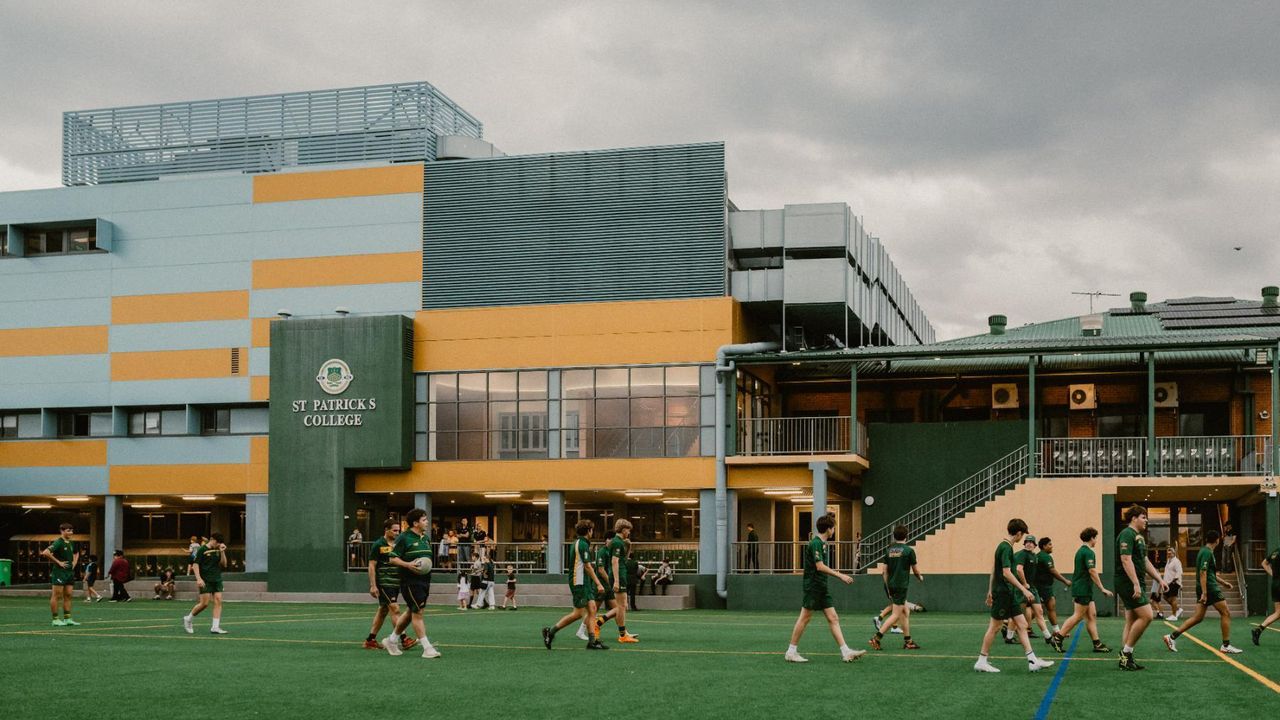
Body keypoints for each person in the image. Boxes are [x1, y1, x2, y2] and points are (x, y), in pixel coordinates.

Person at [973, 518, 1053, 673]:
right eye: (1022, 535)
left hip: (1008, 594)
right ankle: (981, 661)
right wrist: (1023, 589)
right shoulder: (1006, 548)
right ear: (1018, 533)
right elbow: (1005, 572)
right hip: (1003, 593)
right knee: (995, 627)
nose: (1022, 538)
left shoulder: (1004, 547)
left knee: (1022, 625)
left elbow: (994, 570)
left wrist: (989, 591)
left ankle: (1032, 661)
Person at [783, 513, 864, 663]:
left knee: (833, 618)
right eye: (833, 528)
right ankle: (791, 651)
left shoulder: (822, 544)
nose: (834, 530)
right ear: (828, 529)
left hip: (821, 587)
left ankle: (845, 651)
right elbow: (819, 566)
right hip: (813, 586)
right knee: (805, 617)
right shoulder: (815, 543)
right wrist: (841, 575)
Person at [1162, 530, 1241, 654]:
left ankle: (1171, 637)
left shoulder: (1205, 551)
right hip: (1209, 588)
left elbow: (1209, 573)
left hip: (1206, 587)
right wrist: (1205, 592)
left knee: (1197, 617)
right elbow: (1203, 573)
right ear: (1217, 540)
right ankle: (1226, 645)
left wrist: (1223, 583)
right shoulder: (1207, 553)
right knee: (1226, 613)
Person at [381, 509, 440, 658]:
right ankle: (427, 648)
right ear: (415, 523)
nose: (427, 522)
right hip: (410, 580)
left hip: (425, 579)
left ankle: (391, 640)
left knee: (411, 611)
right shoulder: (404, 538)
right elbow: (392, 558)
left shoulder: (425, 538)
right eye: (424, 520)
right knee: (418, 612)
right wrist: (407, 565)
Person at [1114, 505, 1167, 671]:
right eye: (1143, 517)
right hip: (1127, 582)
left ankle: (1125, 659)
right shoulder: (1127, 534)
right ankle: (1126, 652)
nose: (1146, 520)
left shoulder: (1139, 537)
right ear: (1133, 518)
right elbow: (1125, 559)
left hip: (1135, 581)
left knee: (1131, 619)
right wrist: (1136, 584)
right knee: (1147, 615)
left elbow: (1144, 561)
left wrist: (1159, 579)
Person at [542, 519, 608, 650]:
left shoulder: (581, 543)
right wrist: (599, 583)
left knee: (592, 608)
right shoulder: (581, 544)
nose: (592, 532)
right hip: (579, 582)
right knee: (578, 613)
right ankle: (551, 632)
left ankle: (592, 641)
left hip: (585, 582)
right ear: (589, 531)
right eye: (592, 530)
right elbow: (588, 567)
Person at [1049, 527, 1113, 654]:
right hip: (1082, 589)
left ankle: (1097, 643)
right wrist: (1102, 588)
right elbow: (1092, 571)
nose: (1096, 541)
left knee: (1091, 615)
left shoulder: (1082, 551)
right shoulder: (1088, 552)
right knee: (1078, 616)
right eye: (1096, 538)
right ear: (1092, 538)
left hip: (1085, 589)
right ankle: (1058, 638)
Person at [365, 519, 416, 651]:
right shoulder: (378, 545)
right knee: (395, 608)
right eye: (394, 530)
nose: (397, 533)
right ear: (386, 530)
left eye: (398, 530)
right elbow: (371, 565)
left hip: (396, 582)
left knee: (383, 610)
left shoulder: (399, 544)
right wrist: (373, 585)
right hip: (384, 581)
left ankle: (370, 640)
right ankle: (404, 639)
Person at [870, 524, 923, 651]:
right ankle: (876, 638)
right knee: (895, 615)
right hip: (901, 585)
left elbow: (884, 571)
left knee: (905, 611)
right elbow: (915, 570)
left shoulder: (889, 551)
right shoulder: (909, 551)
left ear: (894, 537)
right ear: (907, 536)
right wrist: (920, 577)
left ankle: (908, 641)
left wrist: (887, 586)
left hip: (891, 585)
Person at [593, 520, 639, 643]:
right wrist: (617, 581)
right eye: (628, 530)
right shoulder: (617, 543)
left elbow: (623, 559)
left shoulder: (619, 543)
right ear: (623, 530)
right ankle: (618, 633)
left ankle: (602, 623)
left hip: (621, 575)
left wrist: (629, 547)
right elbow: (614, 562)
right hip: (619, 576)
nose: (629, 532)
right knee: (622, 606)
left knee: (623, 606)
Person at [184, 533, 227, 634]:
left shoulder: (218, 550)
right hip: (205, 579)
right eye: (218, 543)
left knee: (218, 600)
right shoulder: (202, 550)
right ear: (213, 540)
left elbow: (224, 564)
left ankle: (215, 627)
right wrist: (199, 579)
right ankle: (188, 618)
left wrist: (223, 552)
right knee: (204, 604)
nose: (219, 545)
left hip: (217, 579)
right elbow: (195, 565)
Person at [1014, 535, 1053, 643]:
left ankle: (1048, 636)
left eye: (1031, 542)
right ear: (1024, 543)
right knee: (1018, 612)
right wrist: (1024, 584)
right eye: (1027, 542)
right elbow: (1019, 569)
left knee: (1039, 611)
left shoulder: (1034, 556)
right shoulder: (1022, 554)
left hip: (1032, 588)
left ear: (1035, 545)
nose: (1029, 544)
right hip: (1022, 588)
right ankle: (1009, 635)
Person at [41, 523, 80, 626]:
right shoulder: (58, 542)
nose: (70, 533)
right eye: (68, 530)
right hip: (59, 572)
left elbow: (76, 553)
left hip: (69, 572)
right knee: (56, 595)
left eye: (71, 530)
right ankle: (55, 619)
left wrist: (74, 563)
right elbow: (45, 552)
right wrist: (58, 562)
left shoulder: (71, 542)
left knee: (68, 595)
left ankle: (67, 618)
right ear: (62, 531)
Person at [1033, 537, 1071, 637]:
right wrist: (1065, 581)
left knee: (1035, 609)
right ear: (1044, 546)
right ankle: (1057, 631)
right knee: (1049, 607)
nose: (1051, 546)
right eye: (1049, 544)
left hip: (1041, 586)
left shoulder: (1038, 556)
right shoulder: (1045, 557)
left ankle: (1013, 626)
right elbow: (1053, 571)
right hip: (1043, 587)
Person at [1254, 544, 1280, 645]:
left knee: (1278, 612)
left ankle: (1259, 630)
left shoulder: (1275, 551)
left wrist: (1273, 575)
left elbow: (1264, 563)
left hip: (1275, 584)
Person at [1152, 545, 1183, 621]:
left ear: (1174, 553)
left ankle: (1174, 615)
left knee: (1173, 598)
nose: (1169, 554)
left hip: (1174, 582)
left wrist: (1174, 581)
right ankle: (1177, 609)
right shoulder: (1168, 561)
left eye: (1170, 553)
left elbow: (1179, 572)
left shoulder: (1176, 561)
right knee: (1165, 597)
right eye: (1168, 553)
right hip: (1167, 583)